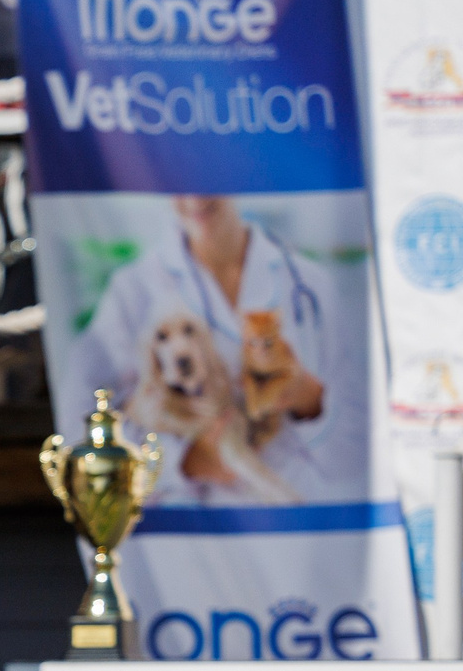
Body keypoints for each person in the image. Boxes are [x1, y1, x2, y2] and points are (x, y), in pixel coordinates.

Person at [73, 195, 346, 503]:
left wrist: (310, 399)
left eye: (190, 332)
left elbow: (359, 447)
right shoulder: (132, 289)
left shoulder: (309, 282)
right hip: (192, 530)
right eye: (163, 337)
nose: (193, 197)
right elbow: (79, 422)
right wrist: (181, 460)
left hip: (303, 522)